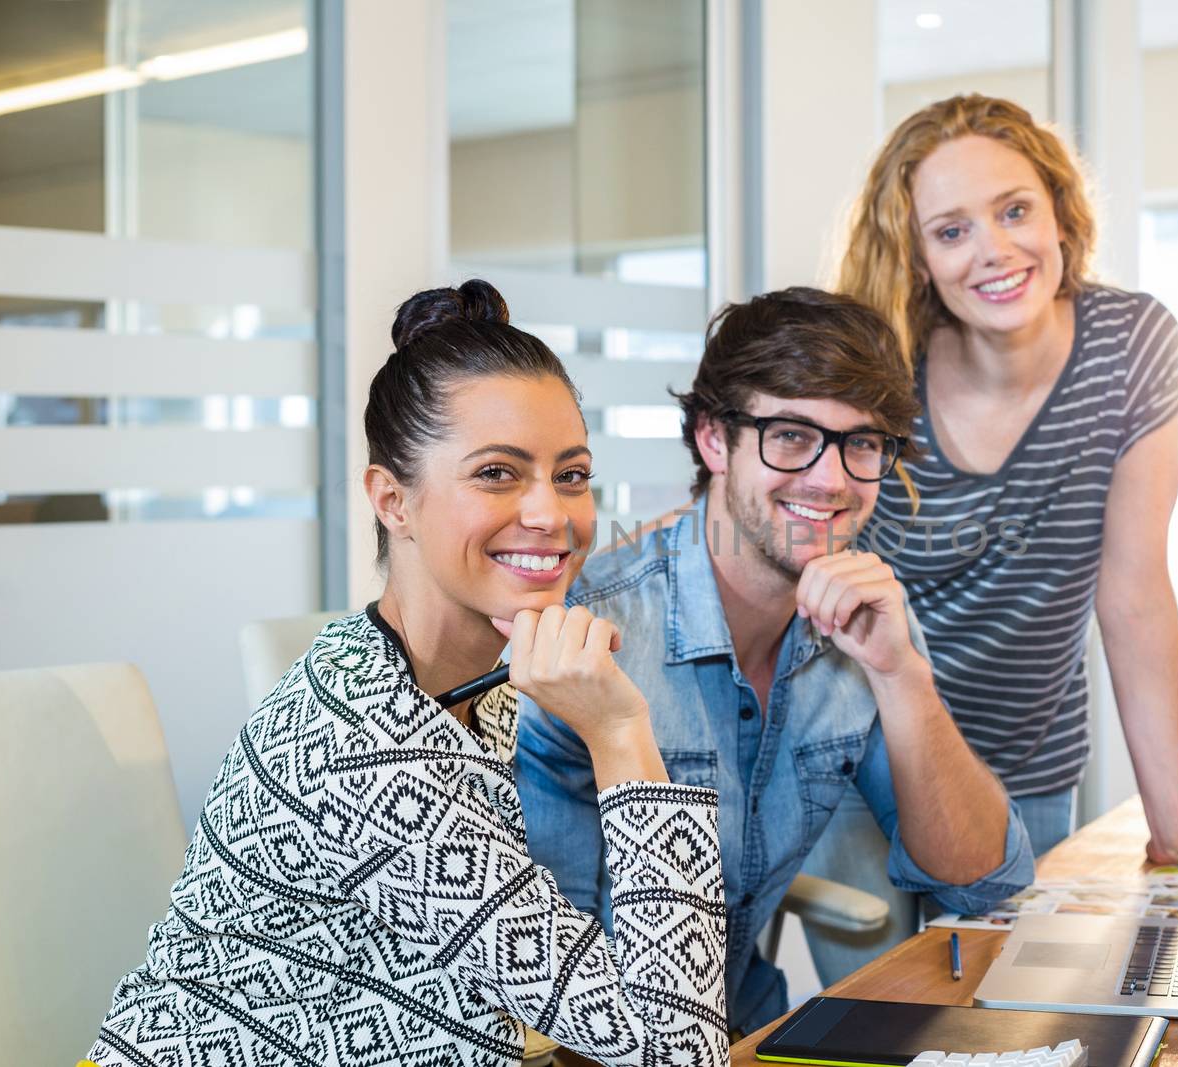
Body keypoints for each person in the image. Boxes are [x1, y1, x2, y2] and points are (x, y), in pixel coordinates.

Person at [86, 280, 730, 1067]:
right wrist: (621, 730)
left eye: (571, 474)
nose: (551, 514)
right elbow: (681, 1051)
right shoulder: (369, 745)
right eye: (497, 472)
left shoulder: (457, 674)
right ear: (392, 498)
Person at [513, 286, 1033, 1034]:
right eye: (790, 434)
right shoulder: (592, 630)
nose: (830, 479)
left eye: (862, 443)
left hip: (746, 1019)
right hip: (613, 1041)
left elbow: (984, 880)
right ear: (714, 441)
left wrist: (901, 674)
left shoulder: (868, 615)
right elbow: (546, 978)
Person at [800, 93, 1178, 983]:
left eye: (1014, 210)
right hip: (852, 756)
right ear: (917, 258)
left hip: (1024, 767)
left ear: (1061, 214)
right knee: (883, 1021)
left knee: (1018, 1021)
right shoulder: (882, 373)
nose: (995, 249)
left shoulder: (1132, 344)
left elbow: (1135, 591)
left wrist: (1175, 822)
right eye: (951, 231)